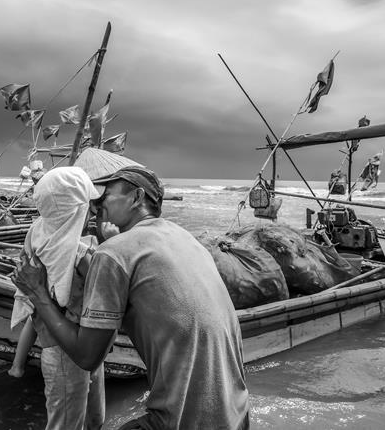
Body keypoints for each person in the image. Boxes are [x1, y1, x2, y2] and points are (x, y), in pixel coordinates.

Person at [13, 166, 250, 430]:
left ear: (137, 198)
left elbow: (87, 357)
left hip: (181, 420)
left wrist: (37, 293)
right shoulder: (184, 238)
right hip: (236, 413)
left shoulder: (114, 253)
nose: (97, 204)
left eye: (106, 196)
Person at [9, 166, 107, 430]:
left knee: (83, 419)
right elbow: (109, 291)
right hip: (71, 349)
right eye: (88, 205)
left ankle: (17, 365)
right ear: (77, 211)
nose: (93, 210)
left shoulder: (39, 233)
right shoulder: (80, 253)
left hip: (61, 343)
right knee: (70, 424)